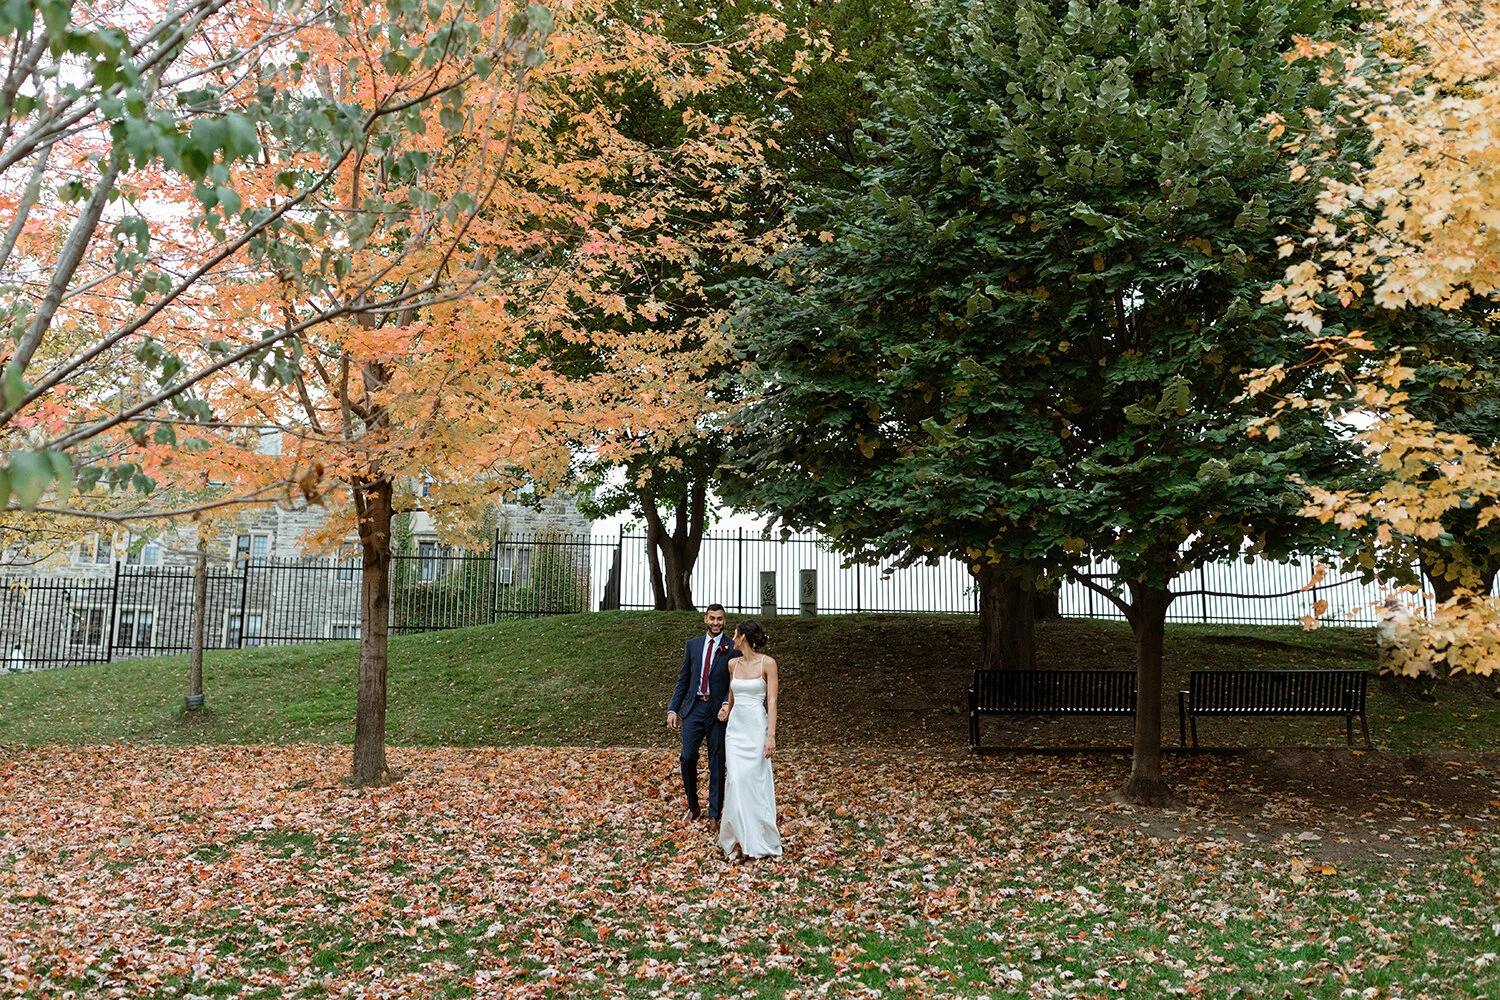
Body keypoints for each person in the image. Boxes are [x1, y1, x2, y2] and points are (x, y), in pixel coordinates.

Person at [717, 619, 781, 860]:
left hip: (756, 729)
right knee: (734, 779)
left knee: (754, 782)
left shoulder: (768, 663)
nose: (731, 639)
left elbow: (772, 702)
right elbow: (732, 695)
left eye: (734, 635)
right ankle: (735, 839)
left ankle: (758, 838)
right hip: (735, 731)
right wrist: (726, 708)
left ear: (743, 637)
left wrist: (770, 736)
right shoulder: (732, 664)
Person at [667, 604, 735, 826]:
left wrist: (726, 704)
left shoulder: (732, 647)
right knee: (687, 757)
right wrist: (672, 709)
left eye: (720, 619)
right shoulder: (693, 646)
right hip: (694, 708)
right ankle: (693, 807)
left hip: (717, 712)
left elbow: (734, 683)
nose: (716, 622)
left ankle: (714, 814)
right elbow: (683, 679)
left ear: (724, 621)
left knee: (717, 761)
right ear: (705, 619)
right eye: (712, 618)